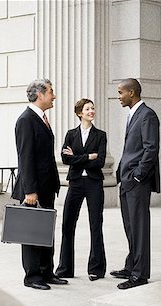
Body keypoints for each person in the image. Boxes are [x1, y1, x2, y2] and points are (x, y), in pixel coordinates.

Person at [11, 78, 68, 290]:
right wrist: (30, 191)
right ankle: (33, 276)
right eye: (51, 92)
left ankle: (46, 272)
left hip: (46, 187)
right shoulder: (26, 120)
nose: (54, 96)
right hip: (33, 190)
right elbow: (25, 158)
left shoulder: (42, 119)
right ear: (40, 95)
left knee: (45, 231)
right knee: (32, 233)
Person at [111, 78, 160, 289]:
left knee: (139, 227)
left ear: (132, 93)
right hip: (127, 180)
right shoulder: (133, 115)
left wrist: (138, 175)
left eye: (121, 92)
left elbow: (151, 149)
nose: (118, 96)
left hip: (137, 182)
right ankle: (131, 266)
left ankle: (140, 274)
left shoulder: (147, 115)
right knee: (130, 226)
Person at [55, 98, 107, 281]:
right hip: (75, 183)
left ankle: (96, 269)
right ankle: (65, 268)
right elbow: (65, 159)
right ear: (79, 113)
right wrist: (87, 157)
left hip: (94, 183)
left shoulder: (101, 135)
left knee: (96, 225)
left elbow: (100, 161)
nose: (91, 111)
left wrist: (78, 157)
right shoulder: (70, 134)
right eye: (87, 109)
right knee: (67, 224)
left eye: (93, 108)